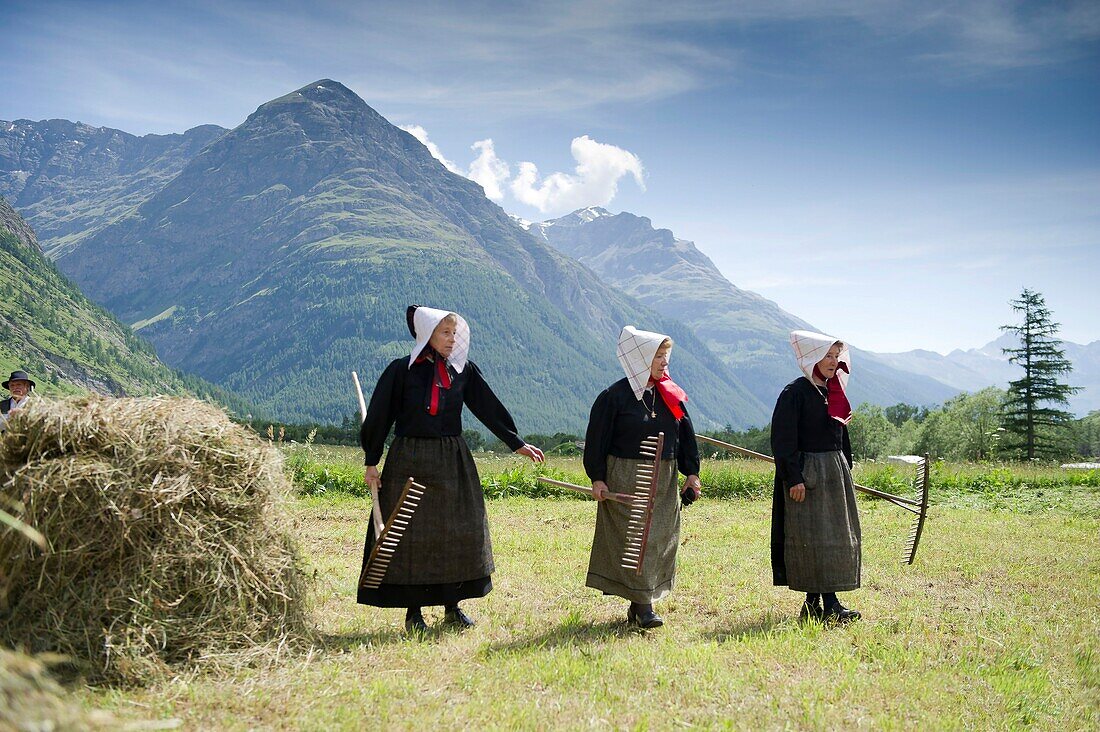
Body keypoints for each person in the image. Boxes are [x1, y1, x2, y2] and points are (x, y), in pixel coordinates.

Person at [358, 306, 544, 633]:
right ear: (427, 335)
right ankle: (413, 612)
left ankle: (452, 606)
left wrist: (516, 442)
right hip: (410, 459)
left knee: (456, 531)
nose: (451, 339)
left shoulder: (462, 371)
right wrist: (371, 461)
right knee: (410, 535)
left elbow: (488, 406)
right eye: (445, 333)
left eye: (454, 333)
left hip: (452, 460)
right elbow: (379, 416)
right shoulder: (401, 371)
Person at [583, 326, 701, 628]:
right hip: (625, 477)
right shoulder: (613, 397)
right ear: (640, 359)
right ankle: (642, 605)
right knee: (634, 539)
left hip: (664, 478)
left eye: (666, 356)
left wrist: (692, 473)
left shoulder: (670, 395)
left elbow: (685, 436)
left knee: (659, 536)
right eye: (658, 357)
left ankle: (641, 604)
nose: (665, 363)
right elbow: (596, 442)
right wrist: (597, 478)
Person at [770, 330, 862, 623]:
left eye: (836, 356)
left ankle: (817, 605)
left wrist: (846, 468)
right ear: (813, 358)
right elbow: (783, 441)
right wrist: (794, 477)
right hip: (807, 475)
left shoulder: (832, 392)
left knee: (832, 536)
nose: (833, 362)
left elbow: (840, 434)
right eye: (828, 356)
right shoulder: (794, 393)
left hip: (833, 473)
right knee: (810, 536)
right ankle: (824, 605)